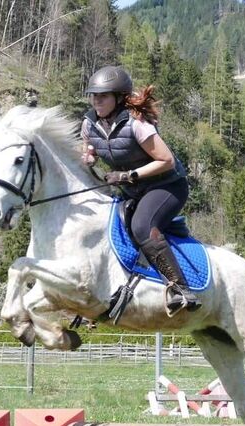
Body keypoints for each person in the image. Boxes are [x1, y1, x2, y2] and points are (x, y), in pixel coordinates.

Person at [80, 65, 201, 314]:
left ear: (119, 98)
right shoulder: (89, 124)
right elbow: (89, 148)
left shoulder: (137, 123)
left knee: (141, 226)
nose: (97, 100)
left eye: (103, 96)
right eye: (94, 96)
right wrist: (89, 157)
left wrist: (128, 175)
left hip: (167, 186)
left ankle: (181, 288)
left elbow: (166, 160)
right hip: (133, 192)